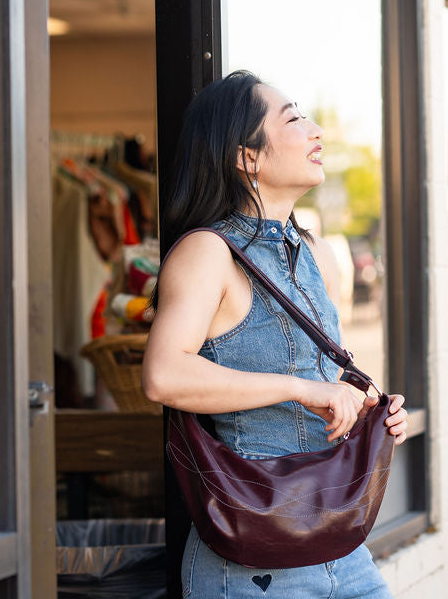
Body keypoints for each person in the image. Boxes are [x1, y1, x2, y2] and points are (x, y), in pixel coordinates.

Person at [142, 70, 408, 598]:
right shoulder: (207, 253)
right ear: (247, 157)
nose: (316, 133)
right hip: (251, 562)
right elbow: (164, 375)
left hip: (339, 543)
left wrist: (368, 407)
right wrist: (302, 389)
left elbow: (323, 383)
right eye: (294, 119)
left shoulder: (319, 255)